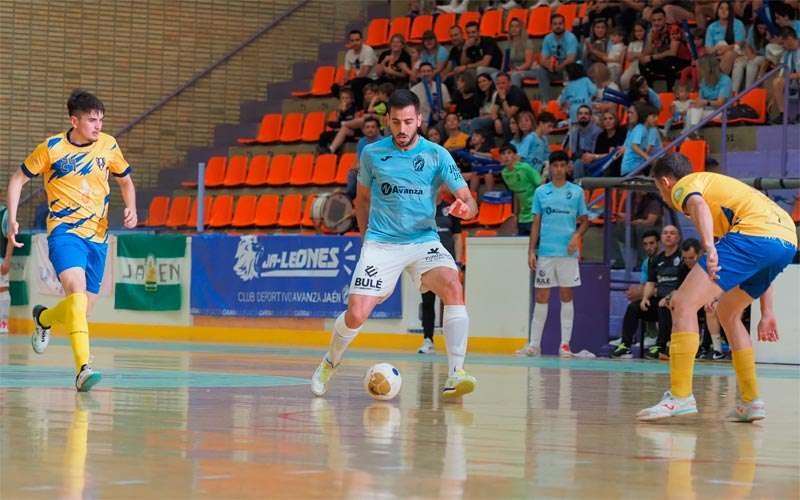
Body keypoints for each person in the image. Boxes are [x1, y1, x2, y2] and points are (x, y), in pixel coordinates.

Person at [310, 89, 480, 399]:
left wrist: (465, 209)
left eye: (408, 122)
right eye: (396, 122)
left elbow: (469, 201)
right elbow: (362, 200)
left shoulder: (437, 154)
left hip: (423, 241)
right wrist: (367, 242)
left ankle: (457, 373)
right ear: (388, 120)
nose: (402, 130)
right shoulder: (372, 154)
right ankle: (329, 362)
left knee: (453, 284)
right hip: (381, 244)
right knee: (357, 314)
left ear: (419, 120)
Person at [638, 153, 797, 421]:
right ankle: (751, 401)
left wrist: (709, 247)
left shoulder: (684, 185)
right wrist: (767, 311)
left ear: (665, 182)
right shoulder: (722, 194)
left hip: (753, 235)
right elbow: (760, 254)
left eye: (658, 189)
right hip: (786, 240)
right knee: (728, 311)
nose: (663, 195)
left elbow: (698, 205)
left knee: (683, 304)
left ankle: (680, 396)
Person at [6, 89, 138, 392]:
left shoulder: (109, 145)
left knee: (81, 310)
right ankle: (83, 369)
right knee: (76, 291)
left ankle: (45, 318)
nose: (98, 126)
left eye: (101, 120)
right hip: (65, 232)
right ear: (74, 120)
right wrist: (13, 218)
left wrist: (130, 207)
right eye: (92, 120)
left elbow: (126, 181)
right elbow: (17, 179)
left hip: (99, 238)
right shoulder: (51, 148)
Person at [516, 150, 589, 357]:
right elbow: (536, 222)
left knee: (566, 295)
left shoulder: (576, 192)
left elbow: (585, 220)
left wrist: (577, 236)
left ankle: (565, 345)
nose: (558, 169)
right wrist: (531, 250)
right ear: (550, 168)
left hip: (567, 253)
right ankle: (534, 345)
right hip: (546, 252)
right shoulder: (541, 192)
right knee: (541, 296)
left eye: (561, 165)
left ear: (567, 167)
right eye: (554, 166)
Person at [611, 225, 683, 359]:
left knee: (663, 305)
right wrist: (644, 298)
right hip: (658, 300)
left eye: (672, 233)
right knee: (634, 307)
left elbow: (684, 284)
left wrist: (670, 296)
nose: (668, 235)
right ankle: (625, 345)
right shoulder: (656, 260)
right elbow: (650, 282)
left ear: (678, 238)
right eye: (665, 233)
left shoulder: (682, 259)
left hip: (675, 303)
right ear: (662, 238)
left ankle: (661, 345)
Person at [418, 186, 464, 354]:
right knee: (428, 303)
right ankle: (428, 340)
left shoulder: (450, 209)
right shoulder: (422, 210)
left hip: (448, 264)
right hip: (427, 263)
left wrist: (458, 262)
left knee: (450, 303)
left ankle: (452, 342)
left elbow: (457, 237)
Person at [499, 143, 542, 236]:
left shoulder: (525, 168)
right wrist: (515, 215)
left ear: (515, 155)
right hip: (522, 217)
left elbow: (541, 185)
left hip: (535, 214)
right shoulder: (504, 174)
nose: (506, 156)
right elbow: (516, 193)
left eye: (509, 153)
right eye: (503, 154)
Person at [536, 13, 580, 101]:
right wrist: (549, 66)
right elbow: (542, 59)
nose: (558, 26)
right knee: (541, 70)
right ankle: (545, 102)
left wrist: (560, 66)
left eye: (560, 24)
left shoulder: (571, 37)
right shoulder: (547, 38)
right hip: (555, 68)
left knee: (571, 67)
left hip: (568, 68)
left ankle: (569, 100)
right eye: (555, 24)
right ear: (551, 26)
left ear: (564, 25)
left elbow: (571, 59)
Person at [686, 55, 733, 130]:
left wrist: (705, 102)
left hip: (722, 112)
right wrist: (695, 104)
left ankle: (690, 133)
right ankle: (691, 134)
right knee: (691, 110)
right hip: (706, 111)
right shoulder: (704, 81)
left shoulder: (725, 80)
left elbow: (720, 103)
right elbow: (700, 100)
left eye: (701, 68)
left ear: (708, 69)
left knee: (693, 113)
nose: (698, 70)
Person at [704, 0, 747, 76]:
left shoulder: (738, 24)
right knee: (700, 62)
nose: (723, 11)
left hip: (735, 52)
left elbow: (739, 44)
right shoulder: (711, 27)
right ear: (717, 10)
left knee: (728, 55)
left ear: (731, 11)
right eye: (721, 8)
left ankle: (718, 81)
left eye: (727, 9)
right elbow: (708, 49)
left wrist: (726, 48)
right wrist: (717, 50)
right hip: (717, 53)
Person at [347, 117, 384, 201]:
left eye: (373, 127)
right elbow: (359, 159)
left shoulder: (383, 142)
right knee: (352, 173)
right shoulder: (361, 142)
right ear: (363, 130)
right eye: (367, 127)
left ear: (378, 129)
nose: (370, 129)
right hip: (366, 170)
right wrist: (356, 166)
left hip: (379, 170)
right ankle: (349, 198)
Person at [768, 27, 800, 123]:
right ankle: (784, 115)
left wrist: (790, 76)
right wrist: (773, 98)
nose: (782, 46)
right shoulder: (786, 53)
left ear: (789, 39)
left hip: (796, 79)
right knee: (777, 81)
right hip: (793, 82)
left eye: (782, 43)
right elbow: (781, 74)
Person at [341, 29, 378, 108]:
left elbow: (365, 72)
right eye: (352, 41)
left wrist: (351, 83)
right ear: (349, 42)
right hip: (359, 79)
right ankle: (346, 109)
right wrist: (344, 83)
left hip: (372, 79)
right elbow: (346, 74)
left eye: (357, 40)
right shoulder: (349, 54)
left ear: (362, 40)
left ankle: (359, 108)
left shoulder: (368, 50)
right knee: (336, 87)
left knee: (355, 83)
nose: (355, 43)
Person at [410, 62, 451, 131]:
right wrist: (421, 123)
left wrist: (444, 111)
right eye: (423, 71)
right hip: (423, 123)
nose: (426, 74)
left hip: (440, 120)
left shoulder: (442, 86)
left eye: (428, 71)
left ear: (433, 72)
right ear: (419, 74)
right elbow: (412, 111)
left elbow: (447, 105)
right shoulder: (414, 90)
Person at [566, 105, 602, 178]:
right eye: (580, 113)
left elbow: (594, 153)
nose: (583, 116)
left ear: (591, 117)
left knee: (578, 164)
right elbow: (573, 153)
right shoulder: (574, 133)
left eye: (586, 113)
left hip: (593, 161)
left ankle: (578, 188)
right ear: (577, 116)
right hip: (577, 160)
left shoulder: (598, 132)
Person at [506, 17, 537, 88]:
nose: (514, 28)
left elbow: (528, 64)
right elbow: (506, 62)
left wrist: (516, 70)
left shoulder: (527, 42)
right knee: (498, 76)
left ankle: (516, 97)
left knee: (515, 75)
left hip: (530, 70)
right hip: (516, 70)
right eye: (512, 26)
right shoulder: (509, 44)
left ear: (521, 29)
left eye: (517, 26)